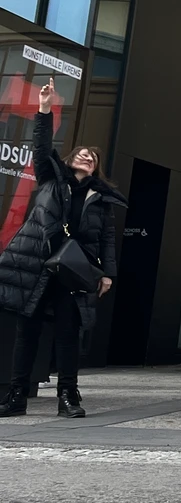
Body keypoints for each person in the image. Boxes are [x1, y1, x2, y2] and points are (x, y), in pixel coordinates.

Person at [0, 79, 125, 418]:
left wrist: (108, 274)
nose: (87, 155)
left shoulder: (101, 200)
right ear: (70, 160)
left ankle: (68, 397)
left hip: (73, 270)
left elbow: (107, 240)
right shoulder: (51, 180)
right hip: (38, 264)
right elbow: (41, 148)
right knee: (27, 333)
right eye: (83, 152)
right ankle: (16, 397)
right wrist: (45, 109)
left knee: (68, 334)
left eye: (93, 156)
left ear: (96, 168)